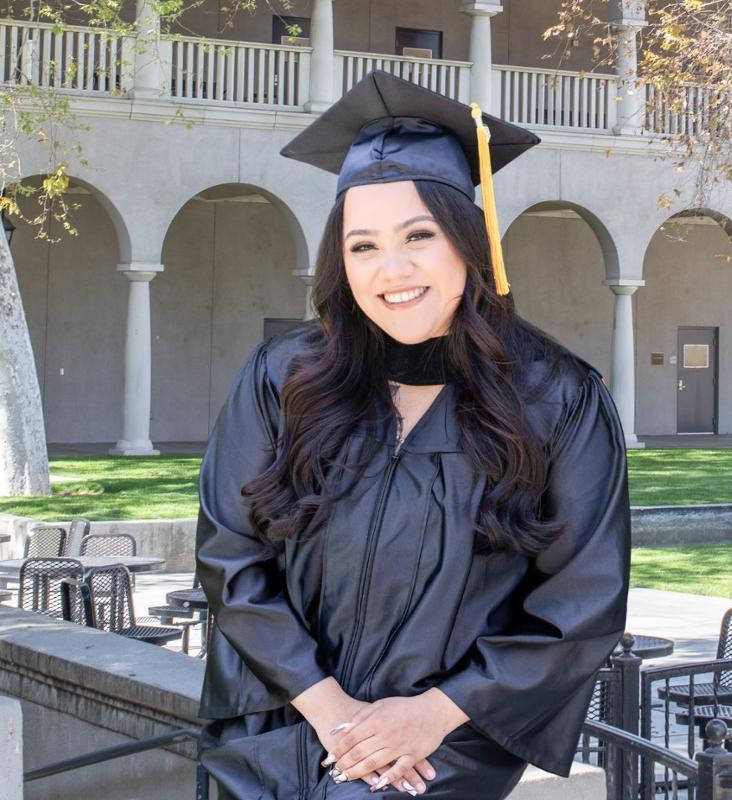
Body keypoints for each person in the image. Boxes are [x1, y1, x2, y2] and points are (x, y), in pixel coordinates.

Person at [195, 70, 631, 800]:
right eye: (362, 246)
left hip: (438, 756)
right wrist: (335, 716)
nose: (390, 269)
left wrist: (428, 718)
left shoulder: (557, 398)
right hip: (273, 726)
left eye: (419, 235)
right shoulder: (283, 378)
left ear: (469, 241)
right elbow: (231, 556)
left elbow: (579, 603)